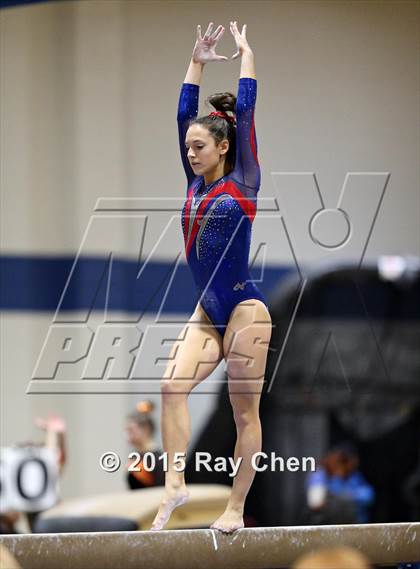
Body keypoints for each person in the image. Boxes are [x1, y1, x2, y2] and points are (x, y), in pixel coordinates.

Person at [150, 21, 272, 533]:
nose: (190, 153)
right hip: (208, 310)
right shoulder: (194, 183)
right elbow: (184, 113)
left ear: (222, 147)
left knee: (243, 413)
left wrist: (245, 57)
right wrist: (196, 61)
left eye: (199, 146)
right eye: (186, 148)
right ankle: (175, 484)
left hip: (245, 311)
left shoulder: (243, 180)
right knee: (170, 386)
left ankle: (235, 509)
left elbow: (245, 112)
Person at [305, 442, 375, 524]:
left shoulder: (353, 476)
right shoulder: (319, 476)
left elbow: (368, 496)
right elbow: (315, 503)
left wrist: (350, 495)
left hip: (353, 524)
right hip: (327, 524)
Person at [125, 401, 165, 489]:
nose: (127, 435)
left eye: (131, 430)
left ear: (146, 429)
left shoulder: (159, 460)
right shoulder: (135, 456)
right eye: (127, 430)